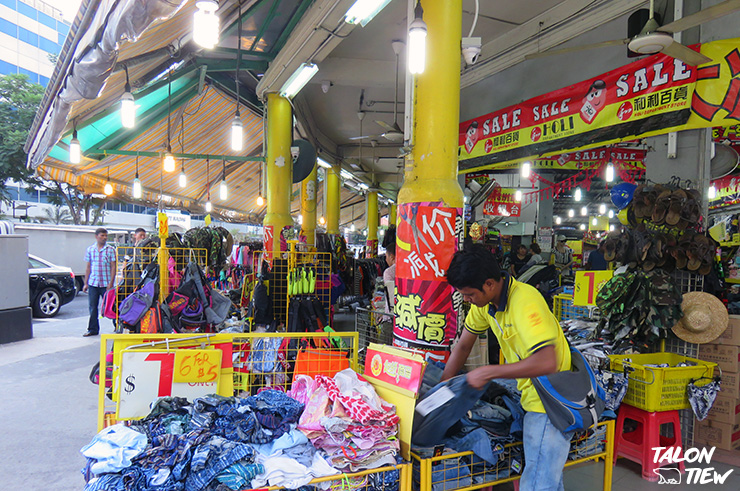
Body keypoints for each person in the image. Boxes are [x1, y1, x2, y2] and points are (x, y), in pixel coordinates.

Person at [443, 244, 572, 491]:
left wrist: (490, 371)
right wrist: (443, 389)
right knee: (546, 477)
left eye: (469, 294)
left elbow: (548, 361)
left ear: (489, 284)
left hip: (551, 399)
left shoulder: (525, 301)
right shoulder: (486, 306)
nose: (467, 300)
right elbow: (462, 346)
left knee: (537, 484)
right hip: (530, 391)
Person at [83, 228, 117, 337]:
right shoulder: (90, 250)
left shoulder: (110, 250)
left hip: (106, 284)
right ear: (96, 236)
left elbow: (113, 266)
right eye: (102, 235)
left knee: (111, 306)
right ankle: (92, 329)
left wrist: (111, 282)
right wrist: (86, 283)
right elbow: (88, 267)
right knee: (93, 307)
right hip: (94, 283)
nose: (104, 238)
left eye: (106, 236)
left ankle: (117, 326)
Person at [382, 226, 397, 312]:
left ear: (391, 257)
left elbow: (391, 298)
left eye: (386, 256)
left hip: (392, 316)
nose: (385, 259)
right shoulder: (407, 269)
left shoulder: (389, 272)